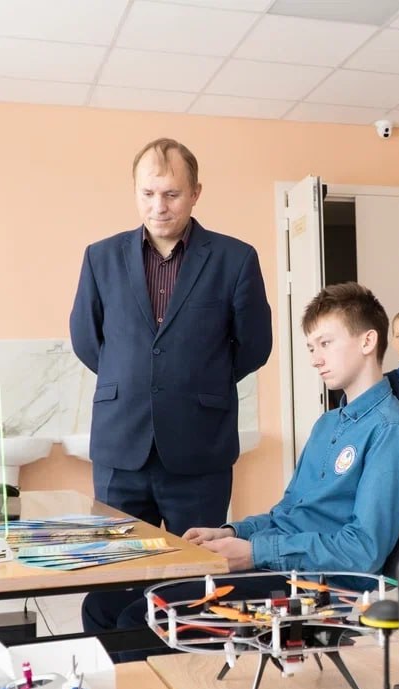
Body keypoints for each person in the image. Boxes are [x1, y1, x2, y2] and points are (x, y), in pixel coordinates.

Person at [70, 138, 272, 632]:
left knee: (195, 578)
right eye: (148, 194)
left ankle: (187, 663)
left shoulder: (235, 258)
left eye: (172, 194)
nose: (158, 206)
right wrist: (136, 380)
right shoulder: (100, 258)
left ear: (196, 193)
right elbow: (86, 340)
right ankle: (117, 660)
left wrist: (196, 381)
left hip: (199, 449)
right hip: (121, 446)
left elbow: (254, 346)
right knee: (113, 577)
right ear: (135, 192)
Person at [183, 282, 399, 591]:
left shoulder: (391, 431)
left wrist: (255, 552)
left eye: (325, 343)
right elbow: (286, 515)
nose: (315, 359)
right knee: (149, 598)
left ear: (367, 341)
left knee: (146, 610)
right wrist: (233, 533)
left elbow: (362, 551)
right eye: (312, 348)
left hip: (316, 588)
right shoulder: (327, 424)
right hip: (281, 570)